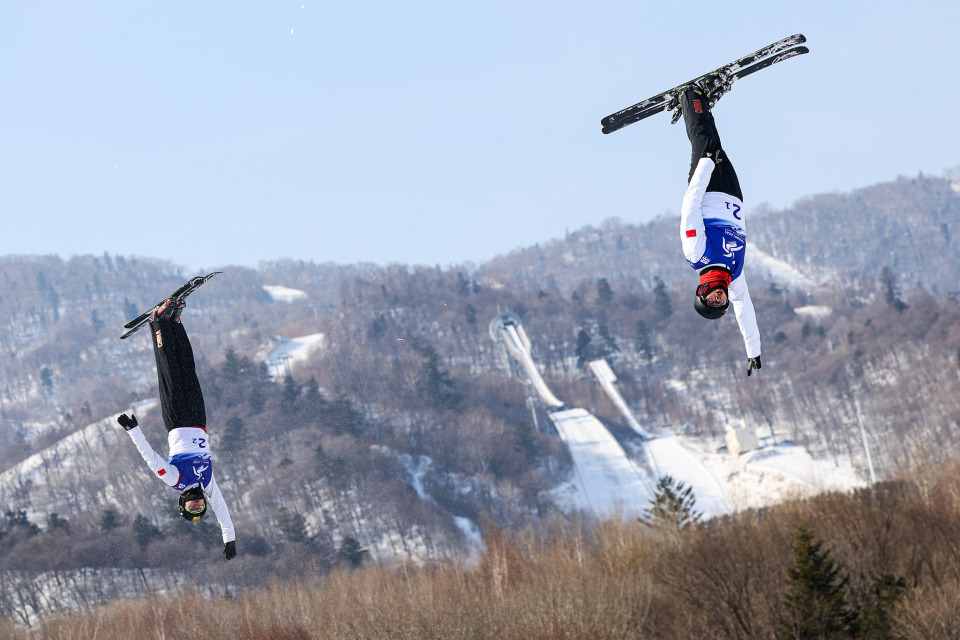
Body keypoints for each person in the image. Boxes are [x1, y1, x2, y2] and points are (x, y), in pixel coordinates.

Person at [117, 296, 237, 559]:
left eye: (192, 507)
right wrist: (229, 538)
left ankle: (159, 323)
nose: (197, 503)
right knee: (187, 368)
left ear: (183, 503)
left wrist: (134, 431)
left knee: (169, 371)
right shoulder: (207, 483)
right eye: (200, 507)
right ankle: (175, 322)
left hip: (177, 420)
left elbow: (150, 458)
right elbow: (222, 510)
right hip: (198, 420)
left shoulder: (175, 480)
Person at [676, 79, 762, 376]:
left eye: (712, 300)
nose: (720, 298)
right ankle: (702, 103)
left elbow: (689, 206)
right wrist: (753, 351)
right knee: (715, 140)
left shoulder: (697, 254)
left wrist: (705, 166)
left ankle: (689, 95)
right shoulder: (733, 276)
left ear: (702, 292)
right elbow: (745, 310)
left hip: (708, 187)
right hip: (733, 194)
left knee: (701, 138)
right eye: (721, 302)